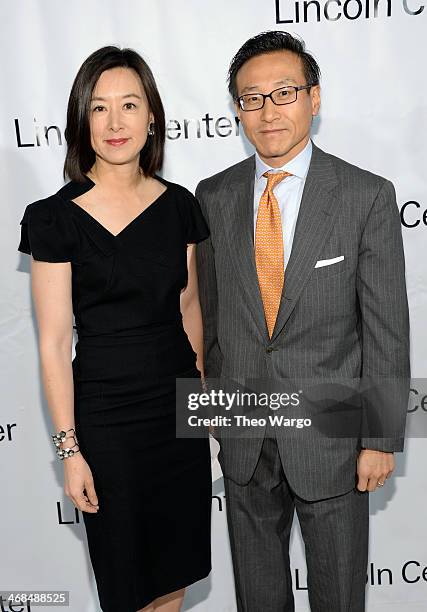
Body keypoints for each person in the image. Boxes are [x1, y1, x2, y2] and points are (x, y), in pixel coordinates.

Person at [196, 31, 409, 612]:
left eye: (284, 92)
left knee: (339, 597)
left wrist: (380, 438)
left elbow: (386, 327)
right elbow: (210, 319)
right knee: (258, 599)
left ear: (315, 98)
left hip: (333, 438)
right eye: (251, 97)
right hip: (244, 438)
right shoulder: (211, 197)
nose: (268, 111)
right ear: (237, 109)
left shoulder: (366, 195)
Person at [18, 46, 211, 612]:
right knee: (125, 584)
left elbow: (191, 310)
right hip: (106, 419)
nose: (115, 122)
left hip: (177, 414)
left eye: (129, 105)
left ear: (152, 115)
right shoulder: (54, 217)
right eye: (99, 108)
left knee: (174, 579)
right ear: (83, 119)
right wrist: (69, 450)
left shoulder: (180, 206)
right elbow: (53, 344)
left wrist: (202, 410)